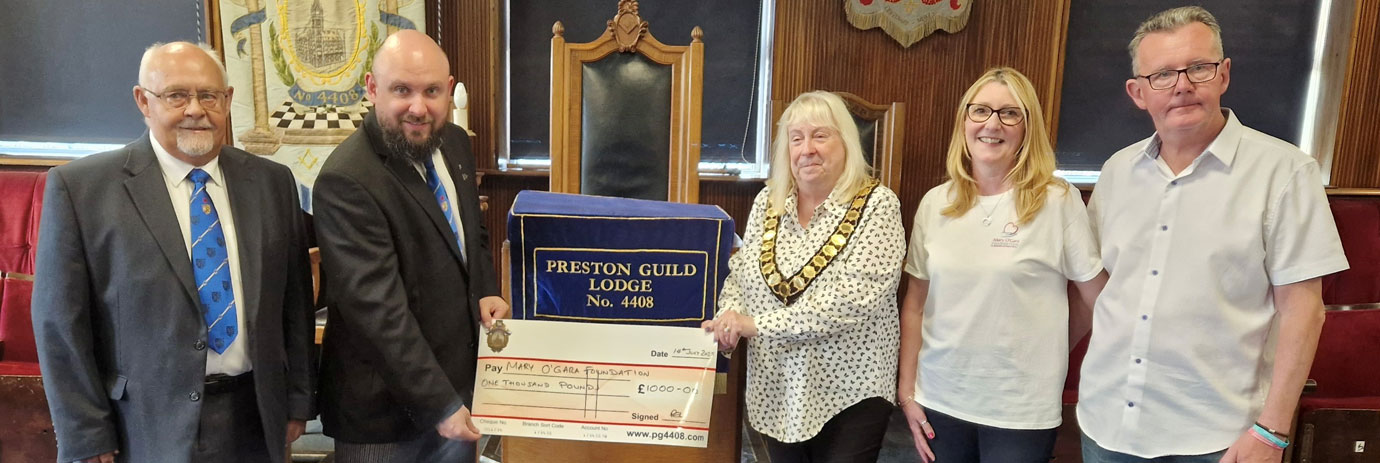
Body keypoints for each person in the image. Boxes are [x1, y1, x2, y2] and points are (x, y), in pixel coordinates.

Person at [1078, 6, 1349, 462]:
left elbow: (1304, 312)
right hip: (1106, 425)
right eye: (1162, 74)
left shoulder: (1282, 172)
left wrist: (1273, 432)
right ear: (1138, 92)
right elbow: (1099, 291)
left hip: (1216, 439)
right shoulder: (1116, 171)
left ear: (1223, 75)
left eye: (1198, 68)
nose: (1182, 85)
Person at [32, 42, 316, 463]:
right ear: (143, 101)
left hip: (255, 416)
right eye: (176, 95)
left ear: (228, 101)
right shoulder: (82, 190)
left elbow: (294, 303)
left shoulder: (272, 183)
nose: (196, 109)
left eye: (209, 96)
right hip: (142, 427)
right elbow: (60, 325)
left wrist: (297, 400)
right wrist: (86, 434)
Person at [312, 29, 509, 463]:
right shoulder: (347, 180)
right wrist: (439, 402)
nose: (418, 107)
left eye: (432, 91)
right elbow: (380, 314)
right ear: (372, 87)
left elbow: (470, 232)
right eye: (402, 90)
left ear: (449, 88)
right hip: (386, 416)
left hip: (457, 389)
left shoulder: (453, 142)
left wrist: (485, 288)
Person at [897, 67, 1106, 463]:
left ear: (1027, 129)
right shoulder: (935, 203)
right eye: (981, 111)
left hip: (1020, 407)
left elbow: (1097, 298)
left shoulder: (1057, 201)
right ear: (964, 121)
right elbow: (915, 305)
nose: (992, 123)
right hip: (941, 398)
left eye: (1010, 113)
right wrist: (907, 392)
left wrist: (1050, 346)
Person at [702, 90, 904, 462]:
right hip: (778, 387)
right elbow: (741, 275)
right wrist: (730, 318)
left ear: (846, 142)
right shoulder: (769, 201)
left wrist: (754, 325)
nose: (807, 149)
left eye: (820, 135)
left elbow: (849, 302)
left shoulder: (879, 205)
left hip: (850, 390)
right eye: (797, 138)